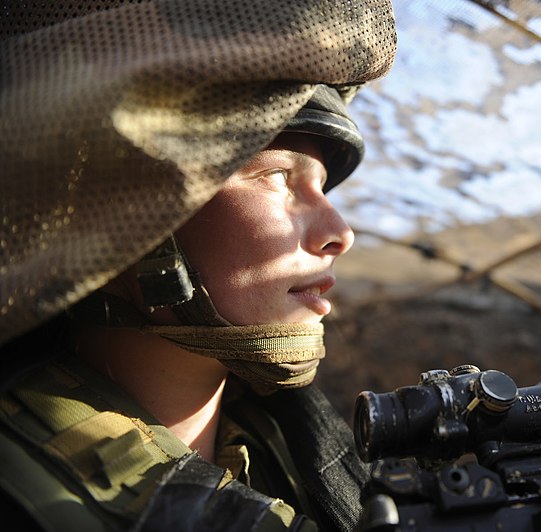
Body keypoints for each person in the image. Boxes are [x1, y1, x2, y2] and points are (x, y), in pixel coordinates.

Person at [0, 1, 396, 531]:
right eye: (276, 176)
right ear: (128, 214)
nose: (339, 234)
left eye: (322, 187)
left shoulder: (307, 457)